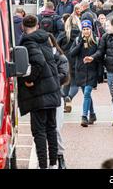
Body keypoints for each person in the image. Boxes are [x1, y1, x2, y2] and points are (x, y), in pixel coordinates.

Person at [18, 15, 61, 169]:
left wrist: (30, 79)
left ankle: (43, 165)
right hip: (52, 88)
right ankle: (53, 163)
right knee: (51, 128)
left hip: (39, 92)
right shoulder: (46, 39)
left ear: (23, 27)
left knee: (39, 131)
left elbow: (39, 62)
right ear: (37, 25)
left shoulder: (29, 42)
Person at [69, 20, 100, 127]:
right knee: (87, 95)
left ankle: (84, 116)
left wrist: (92, 58)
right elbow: (72, 53)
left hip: (92, 71)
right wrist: (81, 43)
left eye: (87, 29)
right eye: (84, 29)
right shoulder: (78, 40)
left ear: (91, 29)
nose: (86, 31)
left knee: (87, 93)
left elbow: (99, 53)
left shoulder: (96, 40)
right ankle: (92, 114)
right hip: (80, 71)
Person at [49, 35, 70, 169]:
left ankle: (60, 156)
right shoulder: (40, 58)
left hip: (56, 96)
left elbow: (63, 76)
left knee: (56, 128)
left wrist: (47, 79)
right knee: (44, 131)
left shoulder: (61, 58)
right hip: (43, 98)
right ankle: (48, 158)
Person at [57, 12, 81, 113]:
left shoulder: (63, 34)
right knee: (75, 83)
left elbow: (56, 46)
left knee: (66, 83)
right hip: (77, 60)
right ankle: (69, 98)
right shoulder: (81, 35)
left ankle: (66, 100)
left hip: (65, 61)